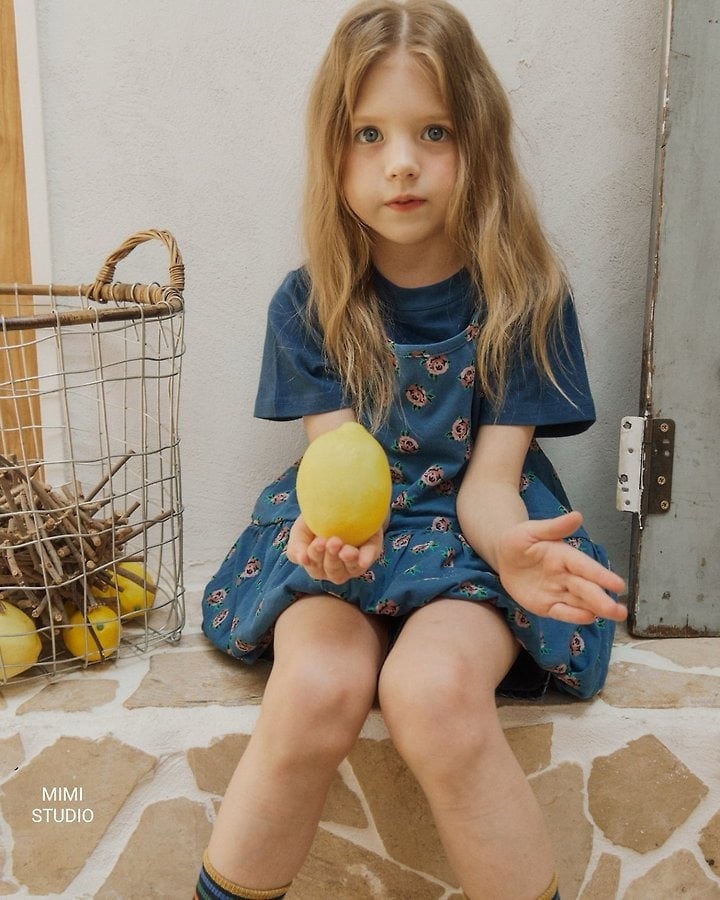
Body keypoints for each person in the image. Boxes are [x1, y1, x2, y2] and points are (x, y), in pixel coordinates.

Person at [196, 1, 627, 898]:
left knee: (433, 696)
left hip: (466, 539)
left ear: (480, 141)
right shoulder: (310, 305)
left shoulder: (526, 301)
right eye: (369, 134)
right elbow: (338, 472)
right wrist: (326, 539)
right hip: (349, 541)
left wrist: (512, 547)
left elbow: (490, 487)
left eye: (435, 132)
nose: (401, 162)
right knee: (314, 687)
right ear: (333, 150)